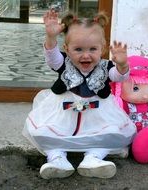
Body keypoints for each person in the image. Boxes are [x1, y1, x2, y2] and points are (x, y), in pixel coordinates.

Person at [22, 9, 136, 179]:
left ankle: (93, 159)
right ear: (67, 49)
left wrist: (122, 65)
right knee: (45, 132)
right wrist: (51, 37)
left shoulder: (106, 67)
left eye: (92, 49)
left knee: (110, 133)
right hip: (63, 113)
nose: (85, 55)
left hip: (97, 115)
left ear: (102, 49)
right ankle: (57, 159)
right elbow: (52, 58)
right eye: (78, 49)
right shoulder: (63, 63)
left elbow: (120, 77)